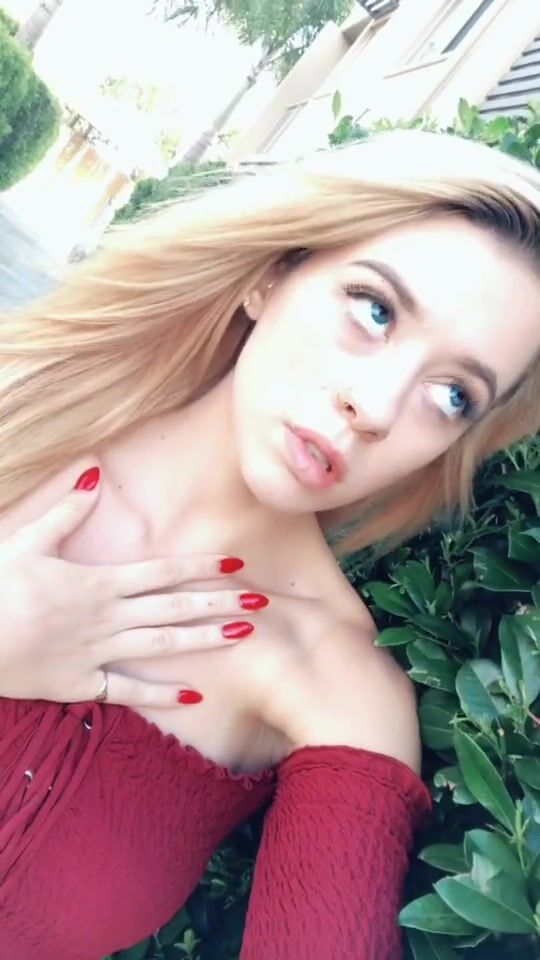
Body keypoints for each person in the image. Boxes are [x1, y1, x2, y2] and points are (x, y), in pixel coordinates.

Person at [1, 130, 539, 960]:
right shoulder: (18, 405)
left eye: (452, 395)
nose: (377, 406)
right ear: (273, 273)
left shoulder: (336, 691)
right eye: (375, 310)